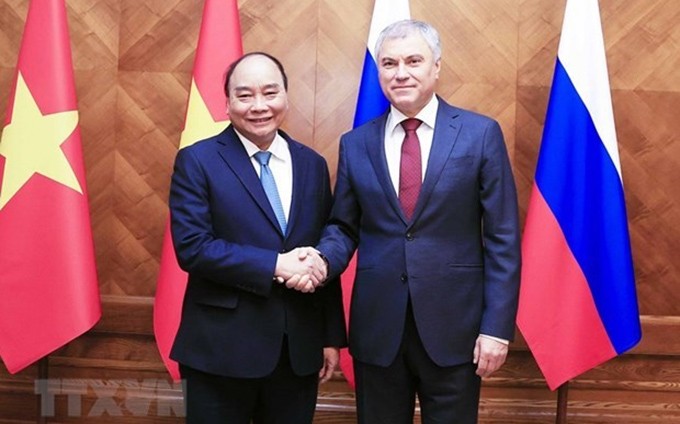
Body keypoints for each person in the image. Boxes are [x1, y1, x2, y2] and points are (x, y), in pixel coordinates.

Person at [305, 20, 521, 423]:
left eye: (413, 61)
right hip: (378, 330)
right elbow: (344, 227)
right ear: (379, 72)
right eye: (389, 63)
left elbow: (503, 238)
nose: (400, 72)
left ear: (436, 67)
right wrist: (320, 261)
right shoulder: (356, 143)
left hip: (455, 329)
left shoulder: (480, 134)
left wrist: (496, 328)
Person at [168, 52, 346, 424]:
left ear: (285, 95)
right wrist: (276, 265)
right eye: (245, 95)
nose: (259, 106)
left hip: (296, 353)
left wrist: (330, 336)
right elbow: (193, 248)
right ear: (228, 101)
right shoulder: (197, 161)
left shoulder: (312, 164)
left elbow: (321, 247)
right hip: (220, 353)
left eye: (270, 92)